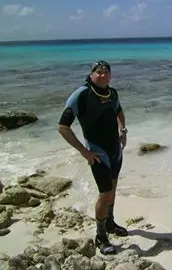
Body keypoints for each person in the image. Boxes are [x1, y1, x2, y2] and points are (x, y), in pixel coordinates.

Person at [58, 60, 128, 255]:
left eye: (106, 72)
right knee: (104, 194)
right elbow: (63, 127)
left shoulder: (112, 93)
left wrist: (123, 130)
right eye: (99, 72)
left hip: (115, 150)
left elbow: (119, 111)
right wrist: (84, 151)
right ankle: (101, 236)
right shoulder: (81, 94)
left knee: (113, 189)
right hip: (97, 153)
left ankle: (111, 223)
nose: (103, 75)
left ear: (111, 75)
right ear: (91, 74)